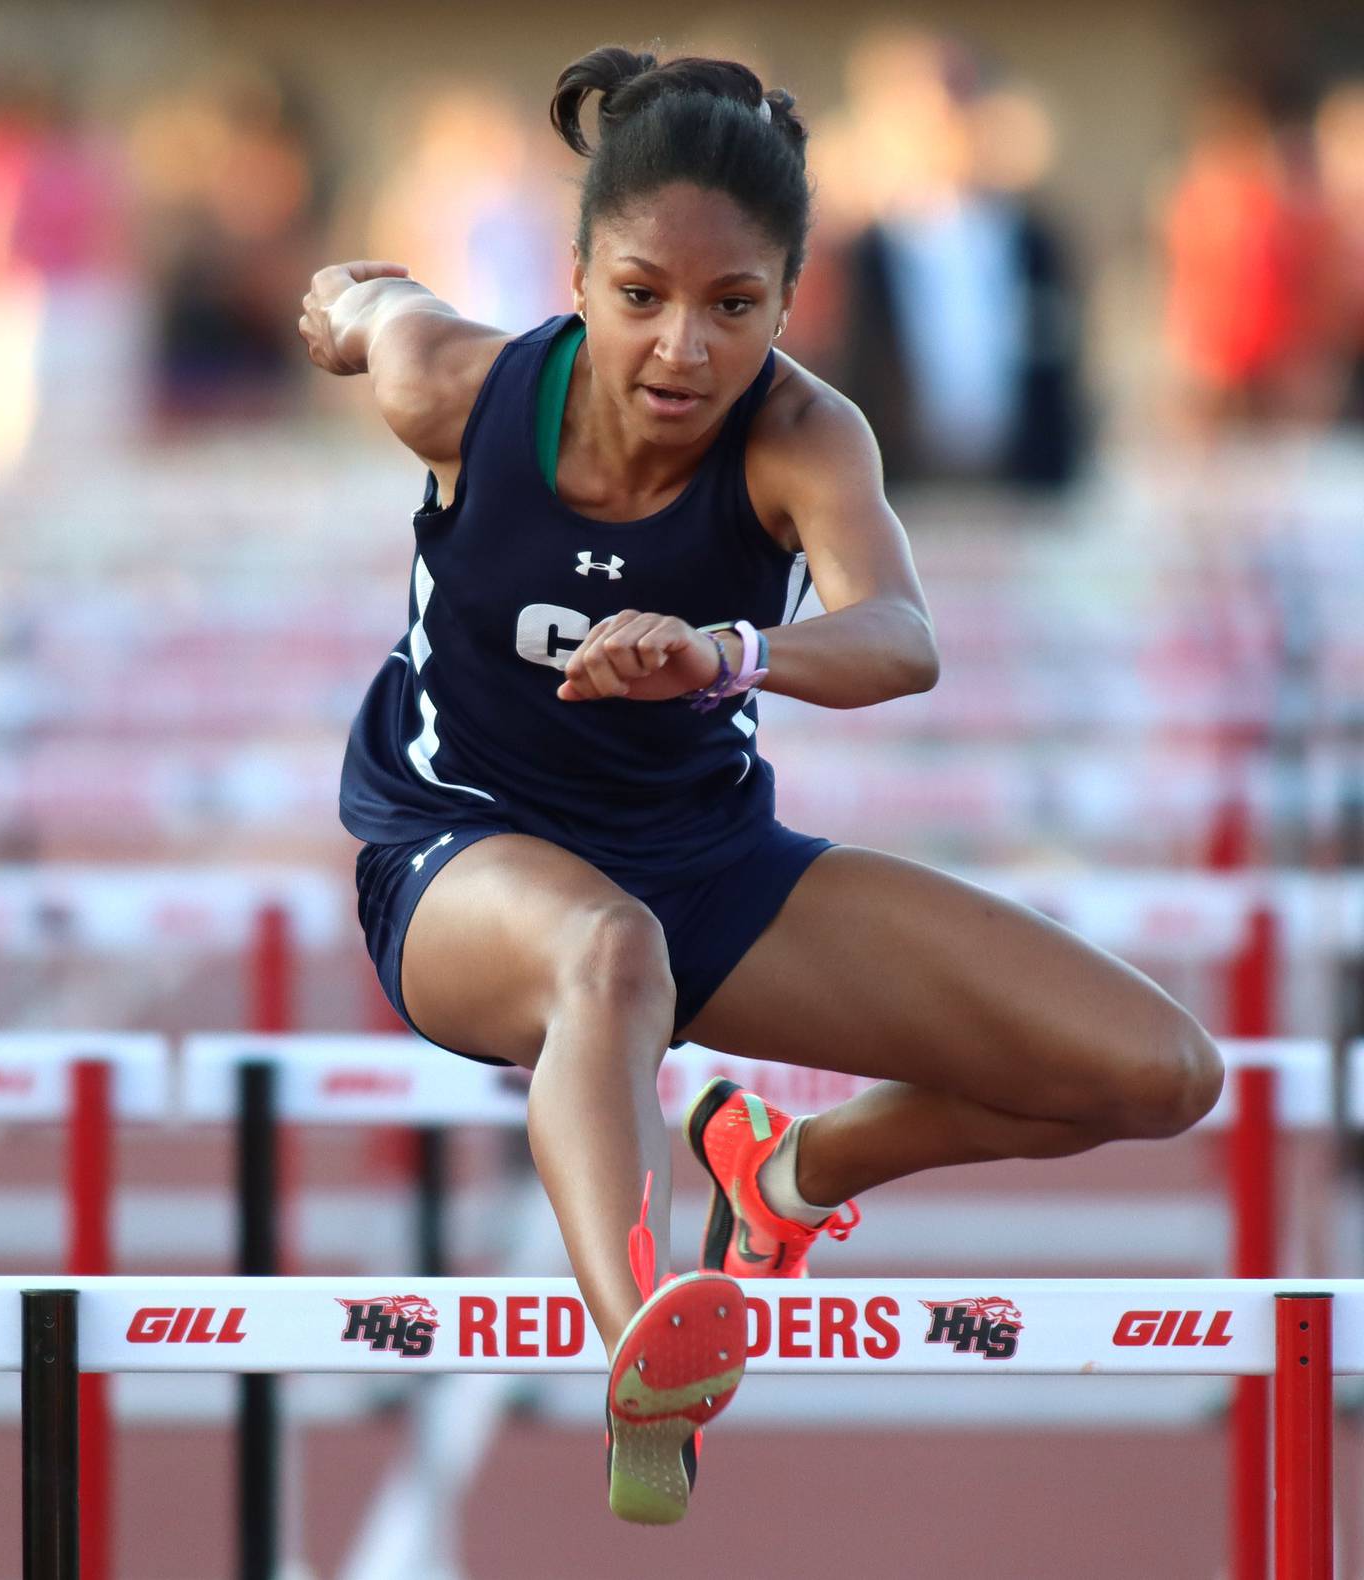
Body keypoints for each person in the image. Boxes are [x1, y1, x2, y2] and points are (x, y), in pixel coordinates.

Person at [299, 46, 1224, 1525]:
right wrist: (348, 304)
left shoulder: (805, 436)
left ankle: (785, 1176)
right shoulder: (461, 392)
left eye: (735, 307)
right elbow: (378, 304)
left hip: (706, 860)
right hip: (463, 855)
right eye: (643, 295)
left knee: (1155, 1071)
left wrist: (732, 651)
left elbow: (899, 635)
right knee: (607, 952)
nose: (684, 350)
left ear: (790, 303)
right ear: (579, 276)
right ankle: (644, 1355)